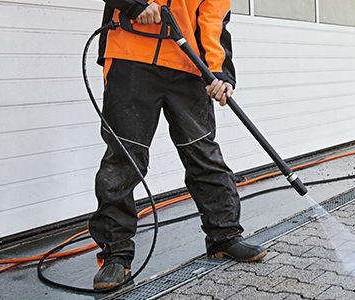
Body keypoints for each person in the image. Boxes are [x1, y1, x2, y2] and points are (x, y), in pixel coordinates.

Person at [89, 0, 266, 290]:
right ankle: (116, 255)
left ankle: (224, 237)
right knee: (124, 159)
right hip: (131, 56)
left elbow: (214, 16)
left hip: (187, 62)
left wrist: (219, 71)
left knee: (203, 153)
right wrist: (134, 5)